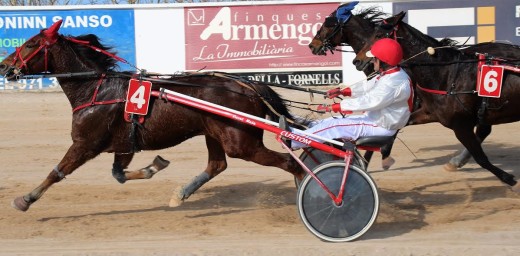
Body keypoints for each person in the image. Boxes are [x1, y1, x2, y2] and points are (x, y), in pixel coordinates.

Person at [288, 38, 412, 161]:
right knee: (329, 121)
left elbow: (369, 101)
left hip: (380, 126)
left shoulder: (393, 82)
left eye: (375, 58)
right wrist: (343, 91)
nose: (372, 61)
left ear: (384, 61)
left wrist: (335, 107)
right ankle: (303, 130)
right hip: (376, 119)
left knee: (334, 126)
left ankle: (294, 141)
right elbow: (366, 86)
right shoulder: (391, 74)